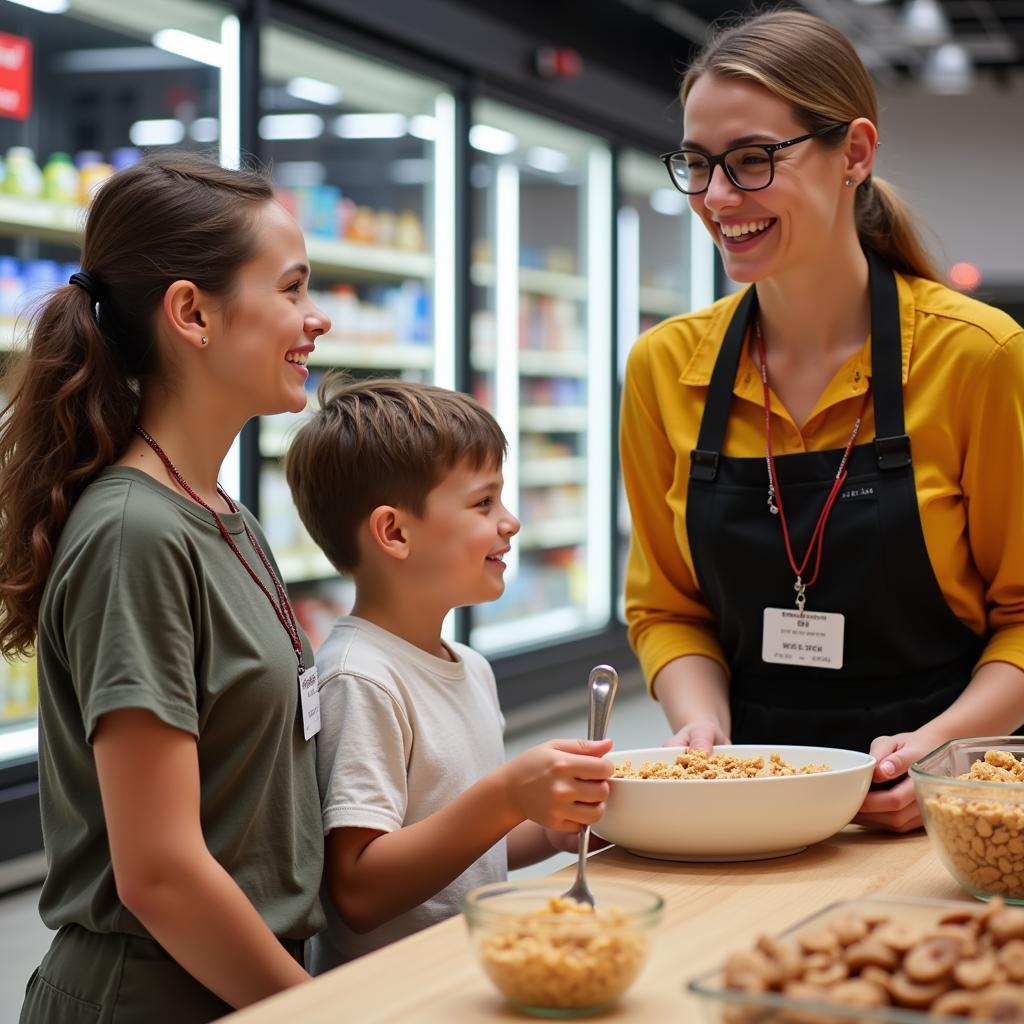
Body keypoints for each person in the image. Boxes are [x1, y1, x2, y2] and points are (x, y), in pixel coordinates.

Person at [620, 10, 1024, 834]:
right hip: (750, 808)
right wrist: (702, 731)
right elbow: (668, 608)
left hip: (953, 807)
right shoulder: (663, 367)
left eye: (753, 161)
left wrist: (943, 753)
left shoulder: (977, 356)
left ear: (856, 154)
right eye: (697, 165)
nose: (719, 197)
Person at [0, 153, 332, 1022]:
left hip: (235, 986)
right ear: (191, 312)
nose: (317, 319)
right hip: (149, 997)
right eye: (292, 289)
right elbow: (159, 873)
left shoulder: (221, 512)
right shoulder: (132, 533)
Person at [285, 374, 613, 971]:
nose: (510, 522)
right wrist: (507, 793)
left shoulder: (470, 667)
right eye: (484, 502)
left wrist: (550, 827)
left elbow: (461, 853)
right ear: (394, 532)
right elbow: (357, 890)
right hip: (392, 999)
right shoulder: (360, 679)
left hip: (466, 975)